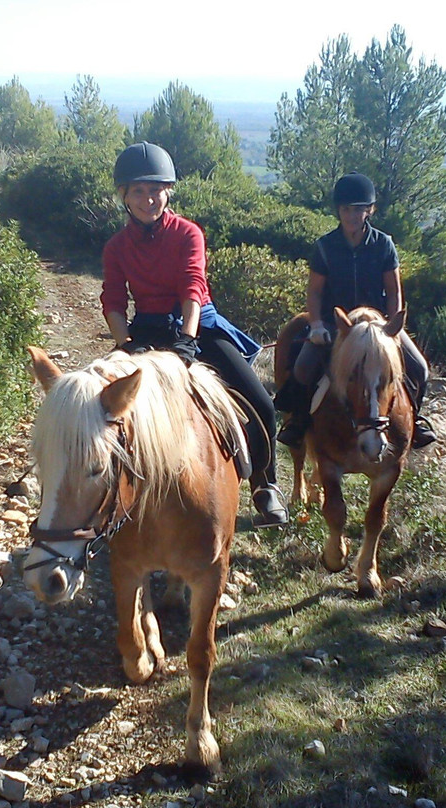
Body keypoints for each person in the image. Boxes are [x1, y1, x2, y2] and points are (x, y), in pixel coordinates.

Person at [101, 142, 289, 527]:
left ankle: (264, 486)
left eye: (156, 190)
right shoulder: (116, 247)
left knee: (261, 405)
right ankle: (107, 496)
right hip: (146, 330)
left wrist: (187, 340)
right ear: (124, 195)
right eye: (139, 190)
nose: (148, 199)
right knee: (101, 411)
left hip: (198, 325)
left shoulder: (188, 233)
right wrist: (125, 346)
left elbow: (192, 286)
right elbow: (114, 300)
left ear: (168, 191)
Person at [275, 172, 437, 449]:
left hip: (377, 328)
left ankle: (417, 420)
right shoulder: (325, 247)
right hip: (335, 324)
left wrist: (391, 330)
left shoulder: (384, 244)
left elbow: (394, 290)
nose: (351, 216)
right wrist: (315, 325)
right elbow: (315, 292)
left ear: (370, 210)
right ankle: (298, 421)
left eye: (359, 210)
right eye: (346, 210)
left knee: (419, 368)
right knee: (302, 367)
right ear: (339, 211)